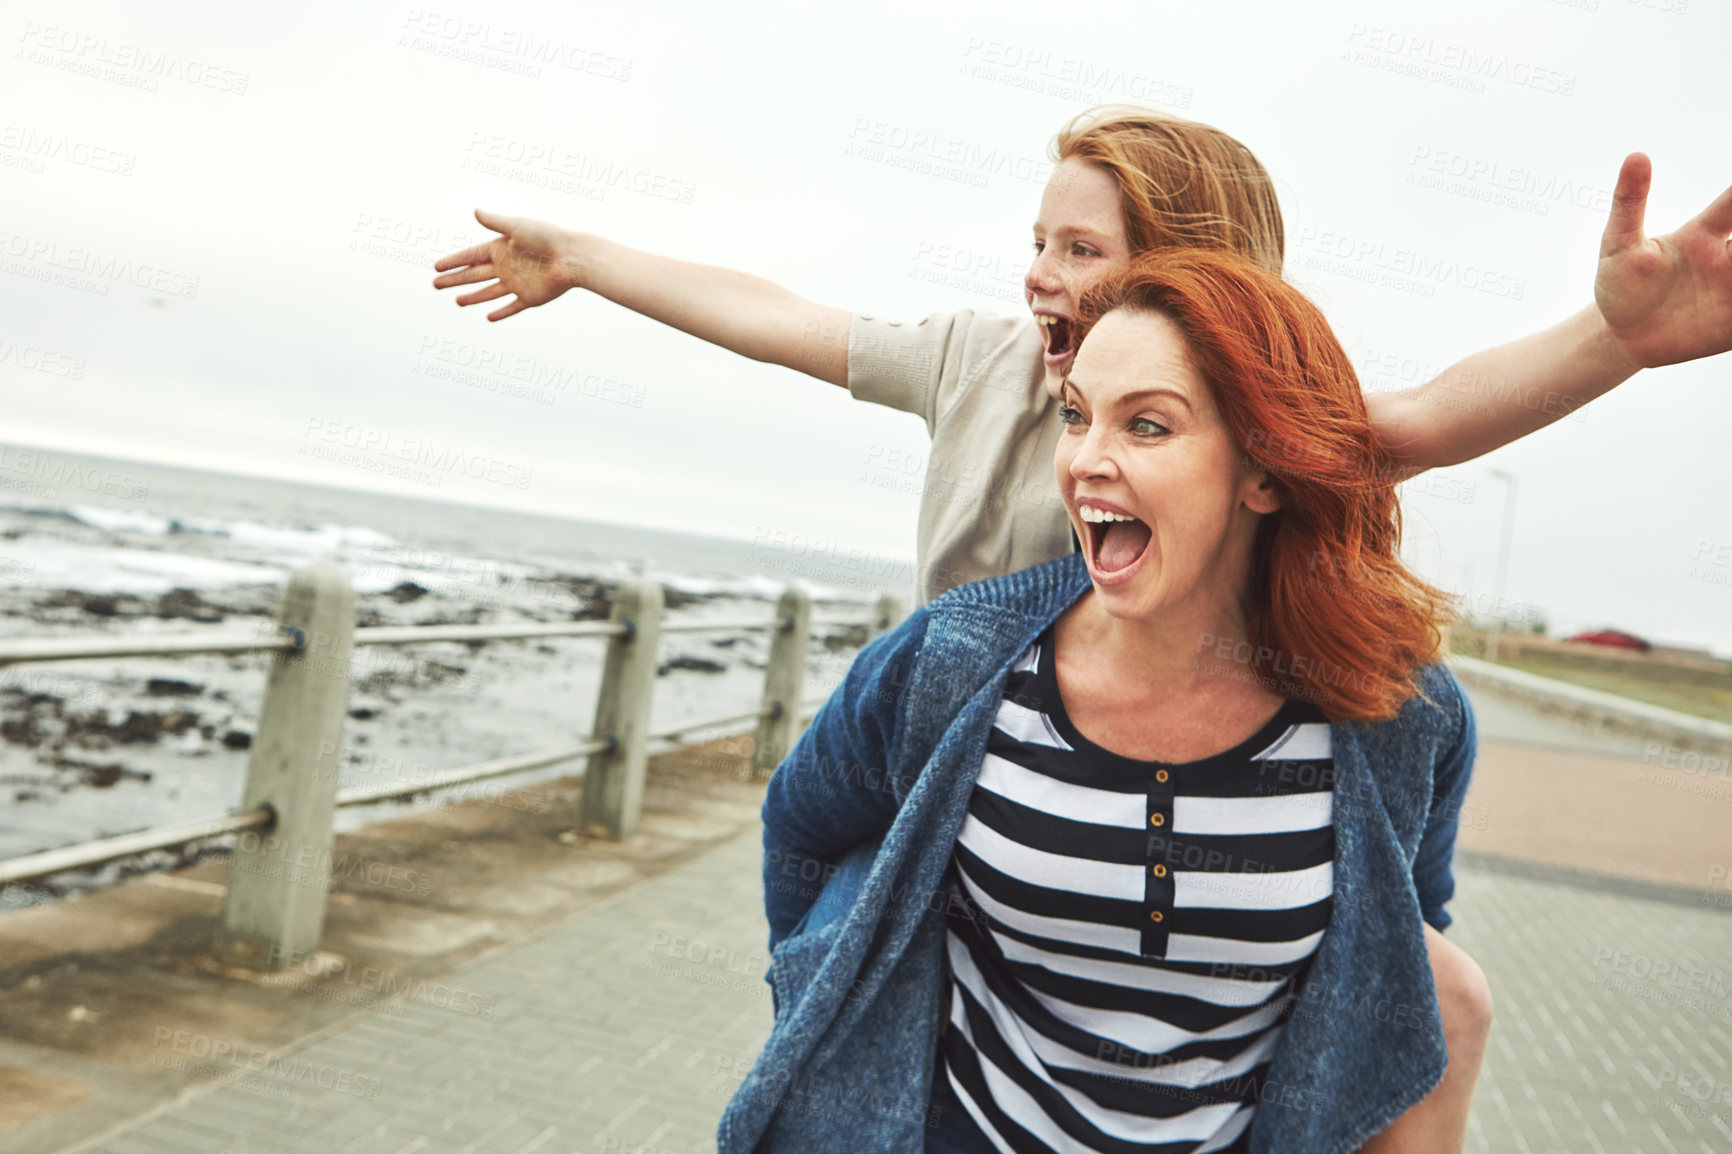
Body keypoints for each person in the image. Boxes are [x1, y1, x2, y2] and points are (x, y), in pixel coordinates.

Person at [723, 248, 1478, 1153]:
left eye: (1147, 427)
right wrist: (831, 1012)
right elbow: (802, 831)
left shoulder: (1399, 712)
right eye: (1076, 417)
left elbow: (1401, 941)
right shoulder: (951, 660)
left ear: (1266, 472)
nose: (1086, 461)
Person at [430, 104, 1732, 609]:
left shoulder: (1237, 411)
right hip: (944, 736)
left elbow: (1423, 417)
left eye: (1079, 247)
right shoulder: (980, 361)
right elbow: (778, 317)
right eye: (1035, 240)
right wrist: (593, 258)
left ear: (1186, 266)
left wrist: (1612, 337)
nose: (1039, 274)